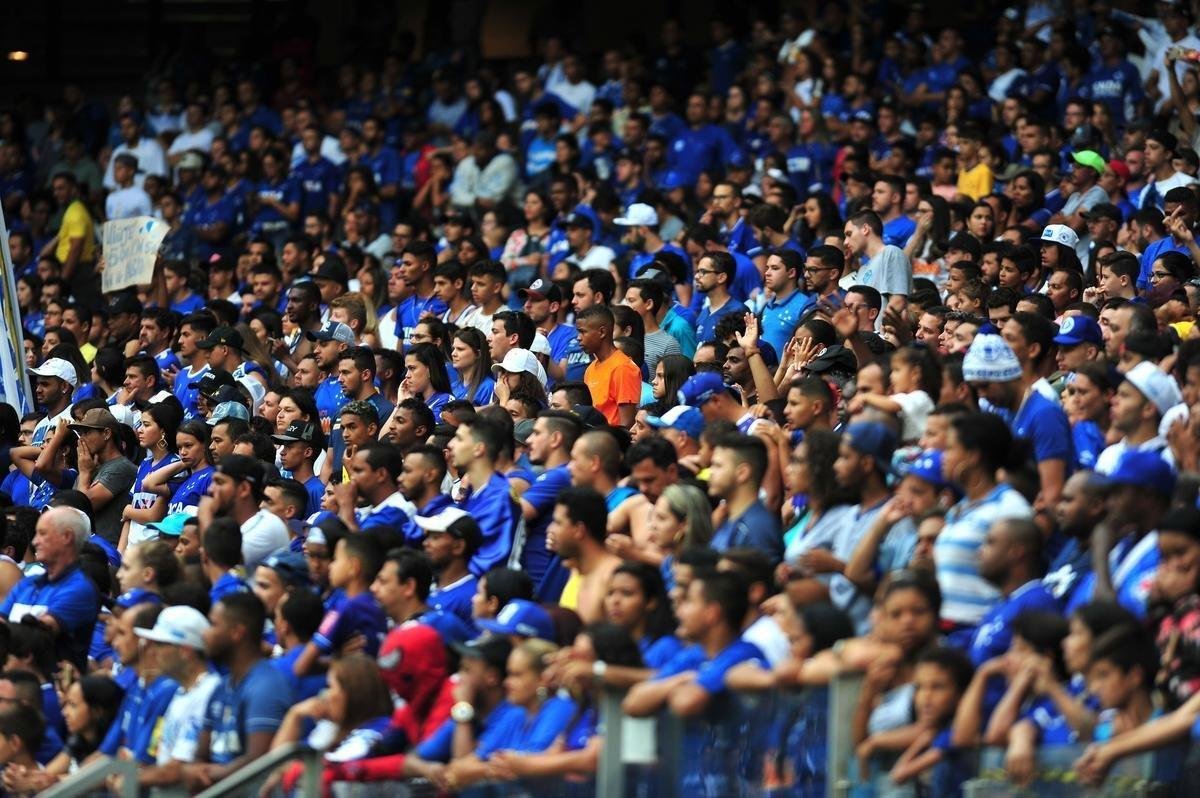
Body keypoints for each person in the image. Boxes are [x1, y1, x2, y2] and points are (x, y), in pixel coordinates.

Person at [182, 592, 294, 791]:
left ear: (236, 633)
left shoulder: (266, 686)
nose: (205, 634)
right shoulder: (220, 686)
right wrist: (196, 771)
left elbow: (260, 762)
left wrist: (206, 774)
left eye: (213, 624)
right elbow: (201, 755)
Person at [134, 605, 222, 791]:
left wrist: (130, 779)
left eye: (160, 644)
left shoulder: (208, 692)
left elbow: (178, 768)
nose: (152, 652)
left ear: (185, 651)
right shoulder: (181, 691)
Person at [0, 507, 99, 669]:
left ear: (66, 537)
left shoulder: (80, 589)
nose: (34, 542)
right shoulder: (27, 583)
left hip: (52, 687)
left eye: (42, 534)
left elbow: (33, 637)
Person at [294, 534, 388, 675]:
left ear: (353, 567)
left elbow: (301, 667)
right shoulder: (380, 604)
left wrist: (338, 659)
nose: (331, 565)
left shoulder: (345, 608)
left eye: (336, 559)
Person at [200, 455, 288, 571]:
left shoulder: (268, 525)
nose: (210, 489)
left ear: (244, 489)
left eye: (219, 482)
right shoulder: (227, 524)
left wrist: (204, 514)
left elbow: (220, 566)